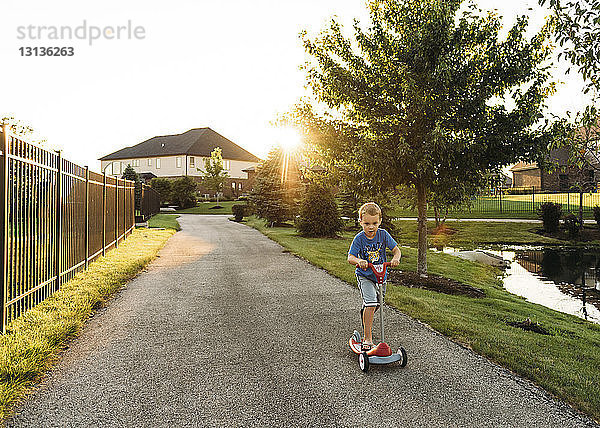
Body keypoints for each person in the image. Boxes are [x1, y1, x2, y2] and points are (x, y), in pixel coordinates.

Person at [347, 202, 401, 350]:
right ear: (360, 222)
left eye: (374, 223)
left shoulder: (383, 234)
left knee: (377, 304)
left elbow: (396, 250)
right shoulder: (359, 238)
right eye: (367, 223)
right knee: (371, 303)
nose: (371, 227)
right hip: (365, 275)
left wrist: (396, 258)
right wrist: (360, 261)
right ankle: (368, 338)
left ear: (380, 221)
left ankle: (366, 312)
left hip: (380, 276)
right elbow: (350, 257)